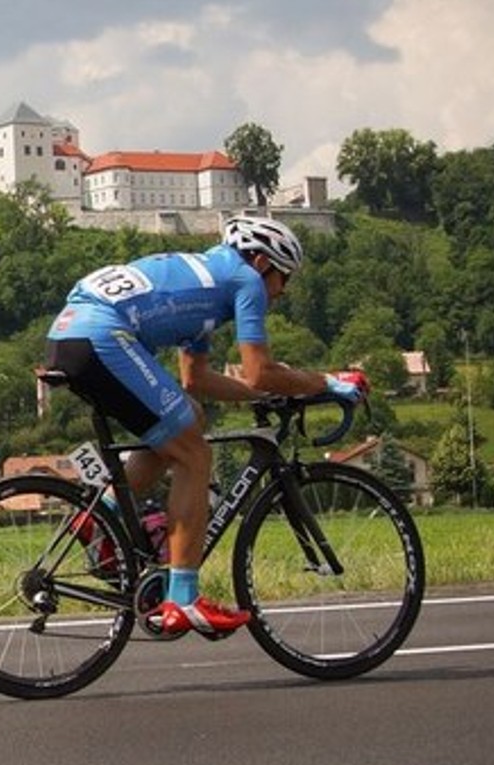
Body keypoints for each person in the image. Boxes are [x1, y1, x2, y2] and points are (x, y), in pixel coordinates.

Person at [43, 215, 366, 638]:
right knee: (195, 455)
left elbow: (197, 380)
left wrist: (266, 395)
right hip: (102, 335)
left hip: (70, 336)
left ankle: (98, 515)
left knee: (188, 417)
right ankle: (183, 599)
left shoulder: (206, 287)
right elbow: (259, 372)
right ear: (259, 261)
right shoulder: (245, 280)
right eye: (283, 277)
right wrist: (328, 382)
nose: (282, 292)